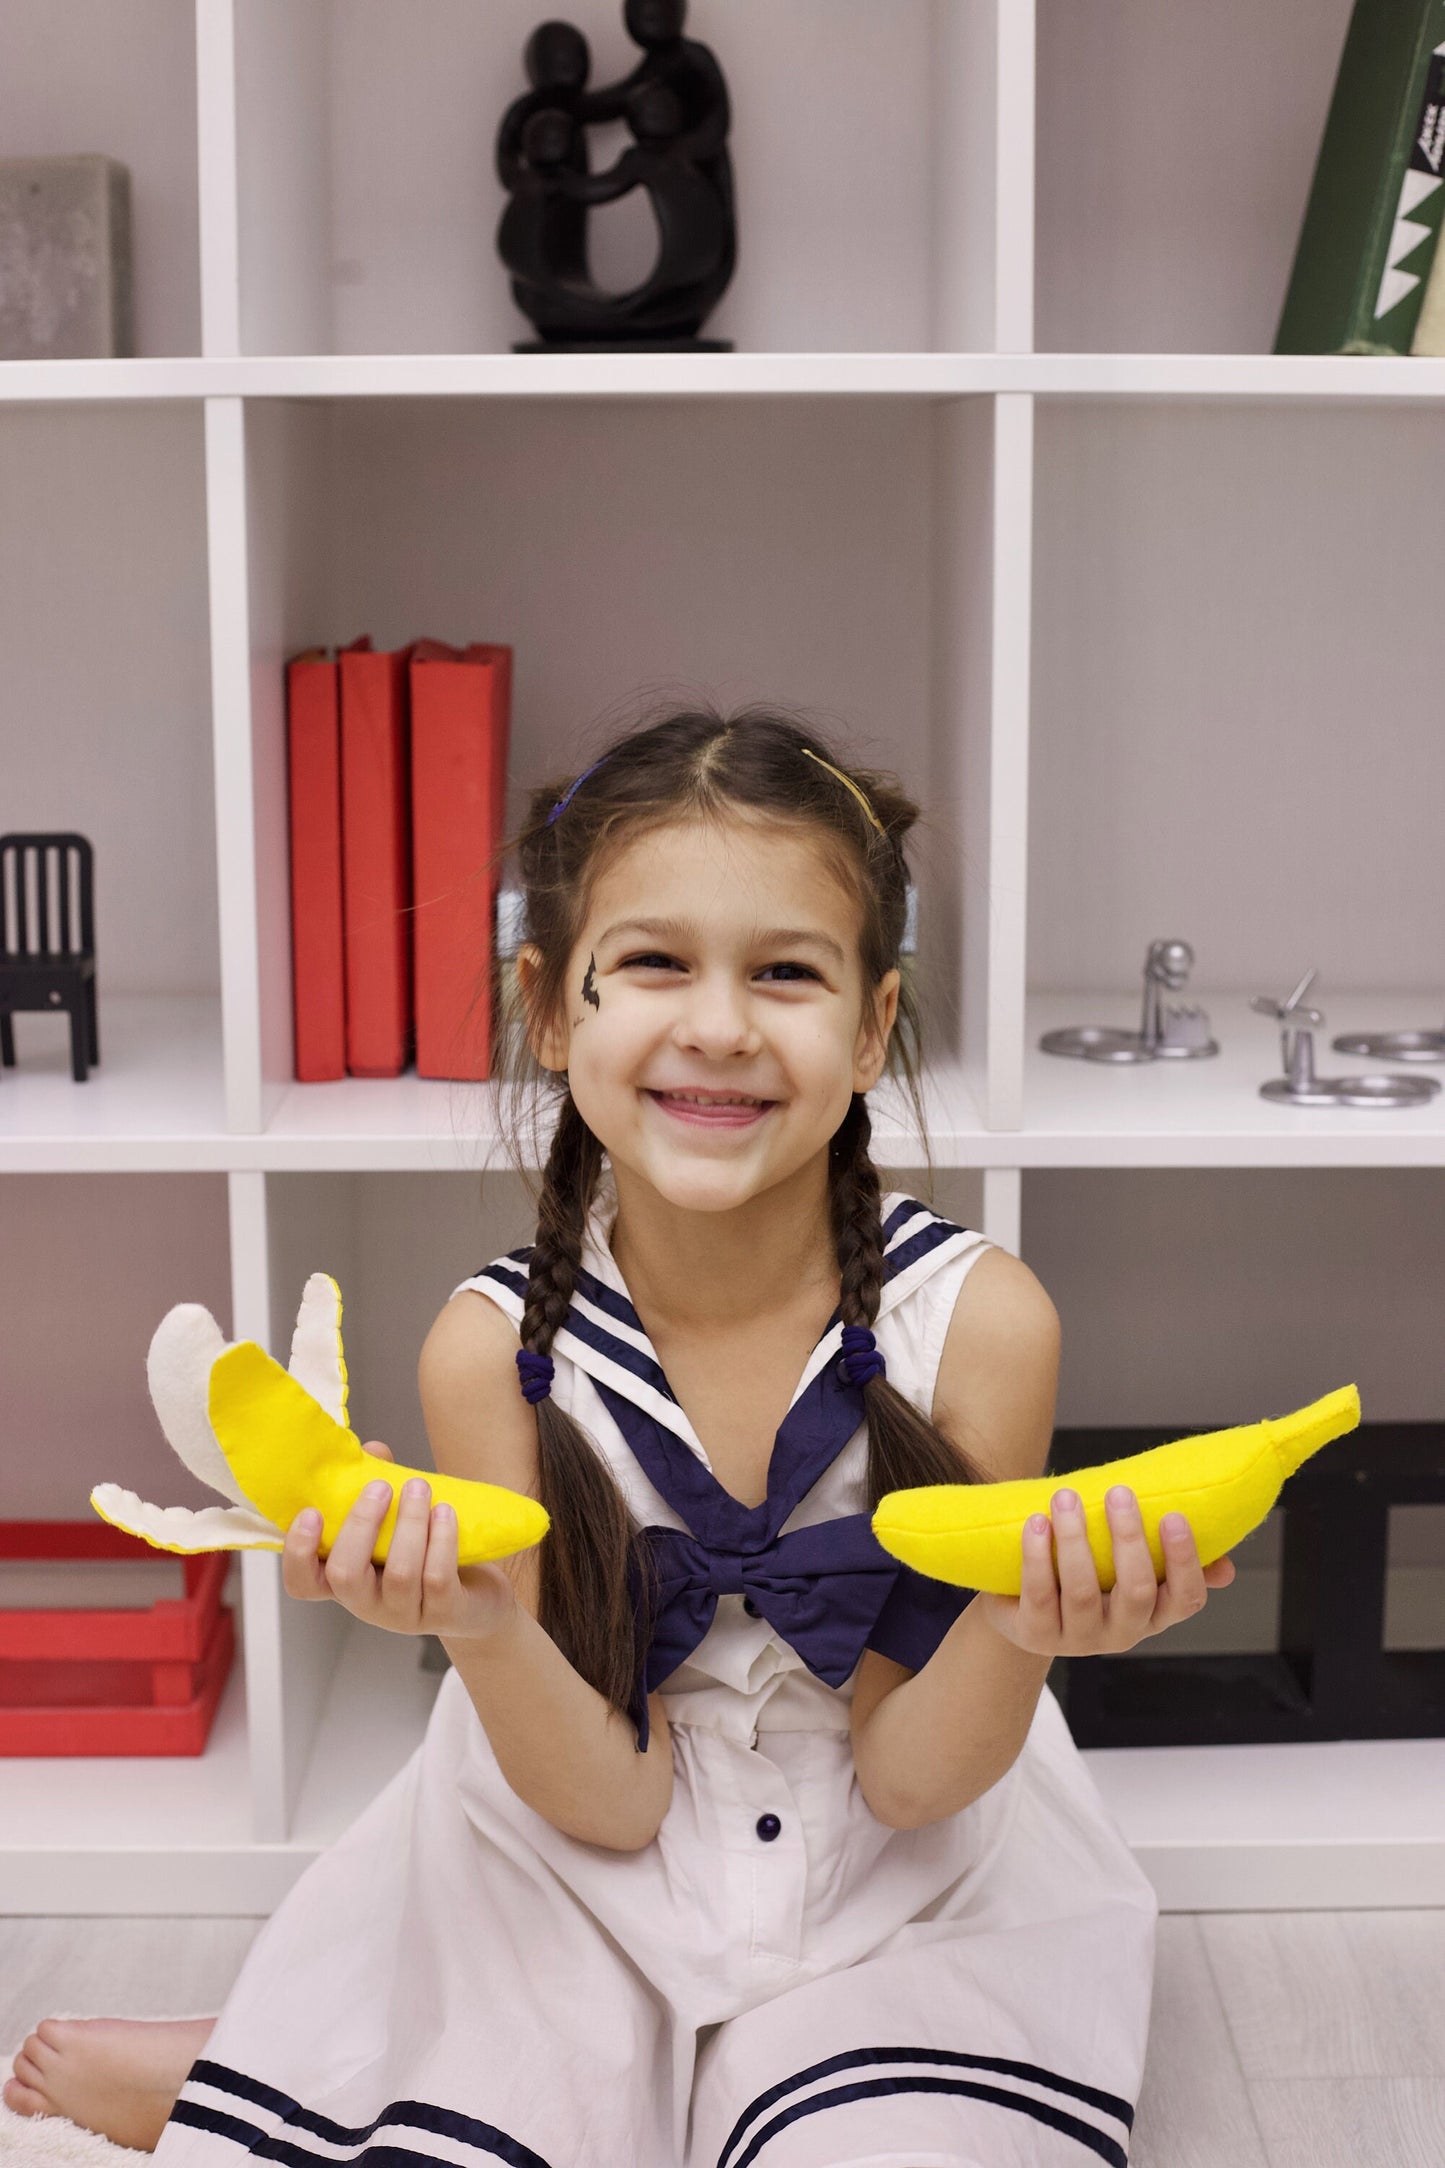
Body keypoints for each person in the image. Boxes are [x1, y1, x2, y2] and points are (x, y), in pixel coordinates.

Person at [5, 705, 1236, 2164]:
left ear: (871, 1028)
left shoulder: (983, 1325)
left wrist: (1033, 1628)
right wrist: (468, 1620)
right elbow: (607, 1796)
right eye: (653, 961)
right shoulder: (492, 1354)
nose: (717, 1024)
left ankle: (291, 2044)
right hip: (574, 1848)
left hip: (913, 1866)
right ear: (548, 1009)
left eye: (785, 972)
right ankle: (283, 2049)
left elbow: (910, 1779)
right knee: (474, 2101)